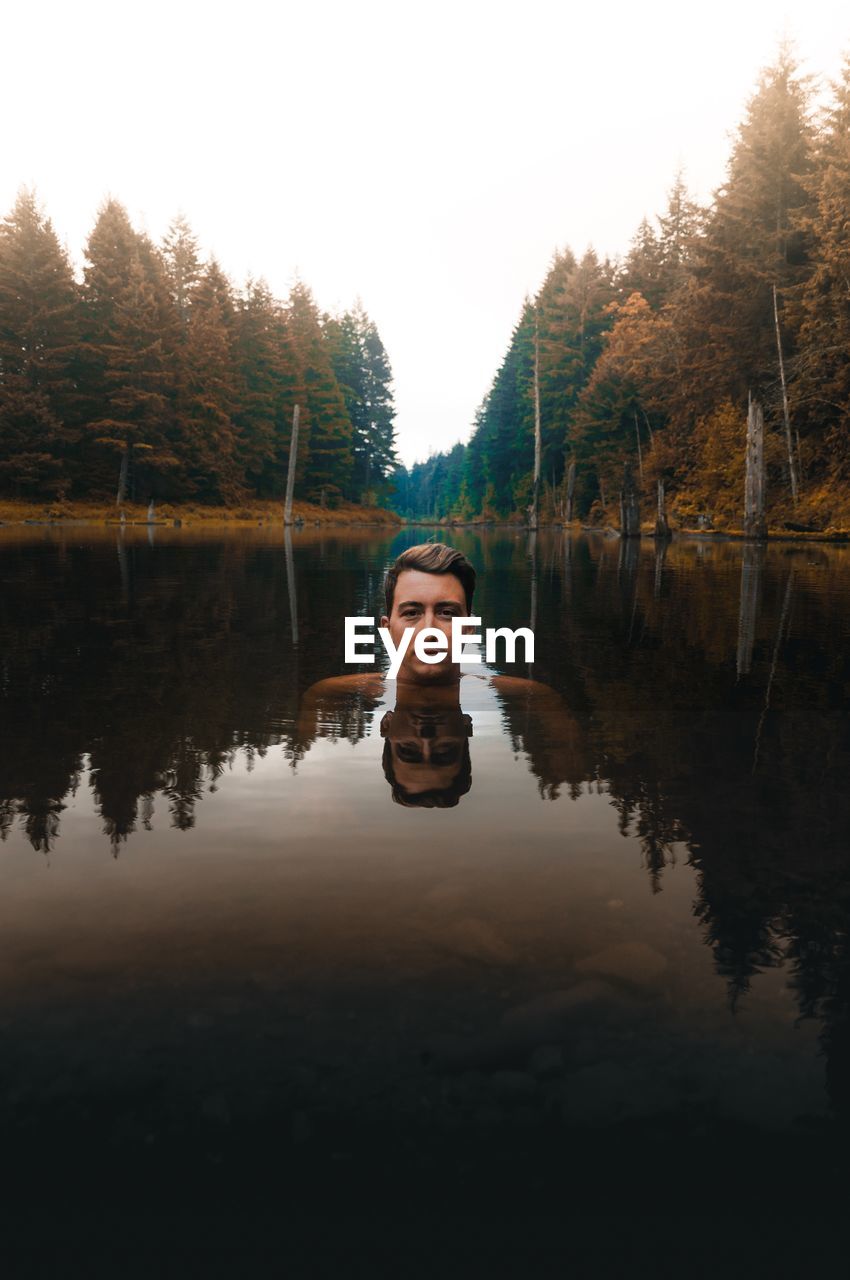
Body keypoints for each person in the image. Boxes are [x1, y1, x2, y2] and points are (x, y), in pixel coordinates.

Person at [295, 542, 582, 805]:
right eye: (411, 613)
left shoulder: (536, 698)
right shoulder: (328, 694)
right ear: (386, 629)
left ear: (468, 629)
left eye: (446, 613)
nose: (428, 631)